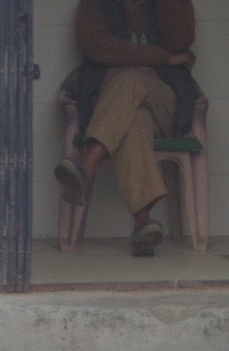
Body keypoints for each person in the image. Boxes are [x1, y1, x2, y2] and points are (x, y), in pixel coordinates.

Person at [54, 0, 198, 257]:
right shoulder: (94, 4)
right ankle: (142, 222)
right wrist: (164, 58)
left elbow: (180, 42)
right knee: (133, 118)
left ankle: (86, 169)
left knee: (131, 80)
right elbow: (97, 47)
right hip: (116, 107)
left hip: (163, 101)